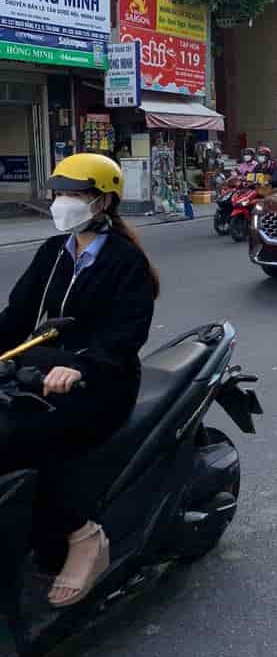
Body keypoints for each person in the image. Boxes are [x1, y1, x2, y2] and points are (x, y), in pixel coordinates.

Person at [0, 154, 158, 607]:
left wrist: (83, 366)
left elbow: (126, 334)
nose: (61, 202)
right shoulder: (53, 252)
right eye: (59, 193)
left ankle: (83, 534)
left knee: (26, 439)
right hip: (40, 369)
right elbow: (18, 315)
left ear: (103, 201)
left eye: (74, 194)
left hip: (103, 381)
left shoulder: (126, 260)